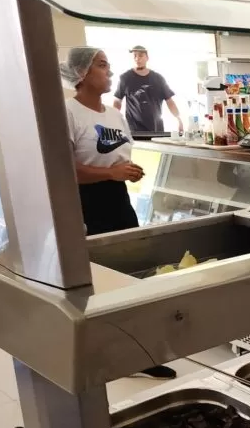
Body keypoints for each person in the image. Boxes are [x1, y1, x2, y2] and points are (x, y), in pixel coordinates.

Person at [61, 46, 176, 380]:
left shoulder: (114, 115)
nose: (109, 71)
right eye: (101, 65)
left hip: (118, 200)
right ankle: (105, 351)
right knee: (99, 281)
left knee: (130, 274)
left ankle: (139, 351)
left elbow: (118, 157)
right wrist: (109, 173)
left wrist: (126, 172)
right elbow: (63, 168)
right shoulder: (67, 113)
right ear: (81, 73)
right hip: (86, 203)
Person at [113, 46, 184, 135]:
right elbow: (117, 101)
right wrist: (114, 120)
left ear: (147, 57)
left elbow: (170, 101)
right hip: (134, 131)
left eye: (140, 55)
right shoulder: (125, 78)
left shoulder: (158, 78)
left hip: (156, 130)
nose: (137, 58)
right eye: (135, 56)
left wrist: (179, 119)